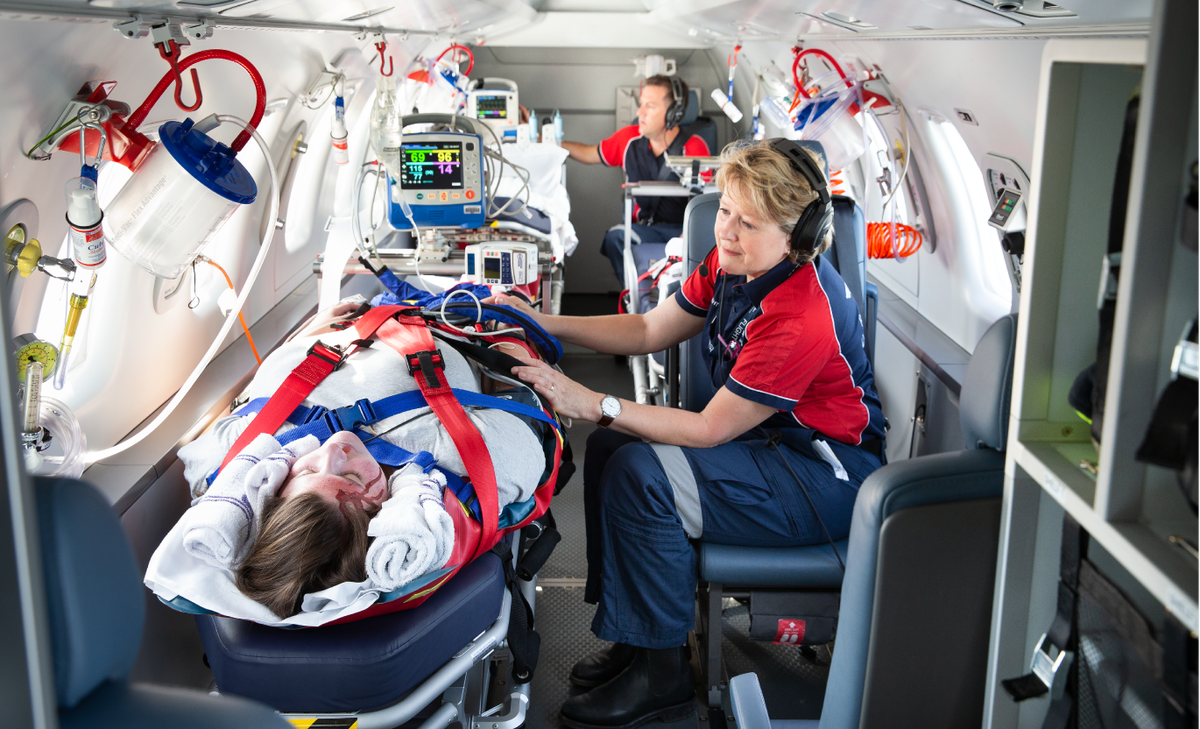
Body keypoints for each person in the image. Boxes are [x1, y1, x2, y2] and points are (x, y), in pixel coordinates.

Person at [485, 139, 886, 729]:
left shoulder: (800, 311)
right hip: (770, 447)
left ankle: (663, 676)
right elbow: (649, 327)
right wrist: (539, 322)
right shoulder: (734, 265)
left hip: (824, 478)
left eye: (748, 222)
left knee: (643, 475)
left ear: (798, 238)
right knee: (613, 446)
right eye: (726, 210)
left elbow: (707, 428)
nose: (727, 230)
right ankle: (636, 636)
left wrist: (589, 399)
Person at [176, 301, 547, 618]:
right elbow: (526, 421)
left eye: (306, 469)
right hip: (445, 325)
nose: (335, 447)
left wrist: (316, 324)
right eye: (352, 479)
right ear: (383, 512)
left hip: (331, 324)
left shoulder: (232, 456)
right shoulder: (454, 453)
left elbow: (200, 465)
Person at [560, 74, 711, 286]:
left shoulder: (694, 148)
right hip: (643, 230)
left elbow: (705, 207)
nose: (639, 113)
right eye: (641, 105)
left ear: (673, 114)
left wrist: (684, 240)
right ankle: (636, 296)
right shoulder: (628, 139)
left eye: (649, 106)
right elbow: (588, 153)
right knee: (616, 237)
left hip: (681, 231)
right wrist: (548, 141)